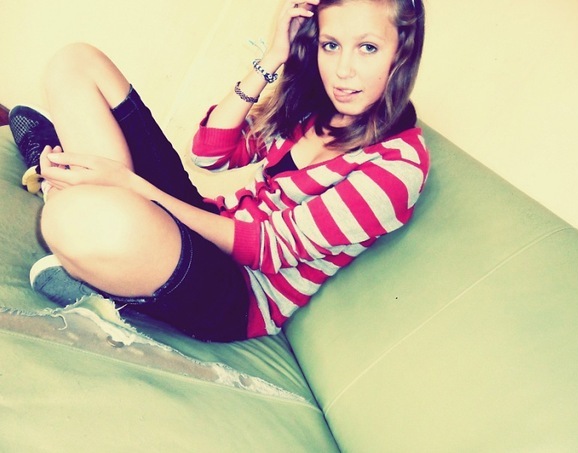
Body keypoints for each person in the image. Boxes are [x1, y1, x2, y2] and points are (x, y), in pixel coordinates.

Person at [8, 0, 429, 342]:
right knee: (74, 62)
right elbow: (209, 153)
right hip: (205, 220)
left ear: (403, 51)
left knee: (66, 217)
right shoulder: (315, 109)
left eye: (368, 48)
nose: (342, 70)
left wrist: (131, 185)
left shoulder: (398, 168)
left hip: (235, 294)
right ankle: (74, 193)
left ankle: (65, 188)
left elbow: (266, 248)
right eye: (331, 45)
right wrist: (273, 56)